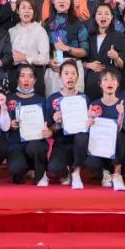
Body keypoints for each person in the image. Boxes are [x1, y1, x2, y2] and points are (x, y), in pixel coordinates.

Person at [46, 60, 90, 189]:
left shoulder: (84, 98)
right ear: (60, 77)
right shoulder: (52, 99)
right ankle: (66, 171)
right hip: (61, 142)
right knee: (54, 168)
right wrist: (56, 123)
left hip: (80, 142)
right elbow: (49, 130)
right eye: (66, 73)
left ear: (77, 76)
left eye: (73, 73)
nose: (70, 77)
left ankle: (76, 172)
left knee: (82, 137)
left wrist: (90, 122)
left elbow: (90, 126)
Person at [4, 64, 51, 185]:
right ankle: (26, 169)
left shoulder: (41, 100)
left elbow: (48, 124)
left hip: (35, 142)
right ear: (17, 79)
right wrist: (10, 125)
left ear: (35, 80)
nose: (26, 80)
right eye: (23, 76)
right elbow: (2, 125)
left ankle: (40, 174)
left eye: (30, 76)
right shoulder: (9, 99)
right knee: (16, 168)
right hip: (16, 144)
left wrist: (49, 130)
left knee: (35, 147)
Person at [83, 68, 125, 191]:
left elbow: (121, 130)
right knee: (90, 162)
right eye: (106, 79)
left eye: (113, 79)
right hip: (99, 148)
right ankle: (105, 174)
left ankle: (117, 174)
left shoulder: (123, 104)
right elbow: (88, 131)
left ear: (118, 84)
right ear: (100, 84)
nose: (110, 83)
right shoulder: (94, 104)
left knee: (120, 136)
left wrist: (121, 115)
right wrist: (89, 121)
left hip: (117, 152)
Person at [43, 0, 89, 96]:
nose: (62, 0)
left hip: (74, 69)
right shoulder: (46, 24)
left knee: (74, 103)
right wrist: (49, 62)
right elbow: (41, 51)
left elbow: (85, 51)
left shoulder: (79, 23)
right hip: (54, 68)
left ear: (71, 1)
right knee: (53, 103)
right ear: (53, 1)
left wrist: (67, 48)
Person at [83, 3, 125, 100]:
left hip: (111, 82)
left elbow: (122, 65)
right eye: (99, 13)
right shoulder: (88, 36)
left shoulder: (118, 36)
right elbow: (81, 61)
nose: (103, 16)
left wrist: (116, 57)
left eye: (106, 13)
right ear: (95, 17)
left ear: (111, 17)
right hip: (92, 82)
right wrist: (89, 65)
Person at [8, 0, 50, 94]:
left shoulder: (40, 30)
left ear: (34, 12)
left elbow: (45, 58)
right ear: (17, 11)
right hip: (15, 74)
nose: (27, 11)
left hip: (35, 73)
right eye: (23, 8)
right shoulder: (11, 31)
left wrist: (25, 57)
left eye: (30, 8)